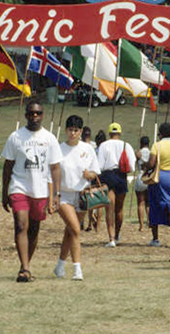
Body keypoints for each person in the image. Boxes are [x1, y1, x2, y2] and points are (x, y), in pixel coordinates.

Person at [1, 101, 62, 283]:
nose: (34, 117)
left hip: (40, 190)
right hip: (19, 187)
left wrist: (56, 195)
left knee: (34, 230)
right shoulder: (16, 137)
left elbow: (55, 167)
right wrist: (5, 192)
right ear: (26, 115)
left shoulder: (49, 138)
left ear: (42, 115)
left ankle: (25, 265)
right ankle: (25, 268)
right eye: (31, 113)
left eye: (38, 113)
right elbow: (7, 166)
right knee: (21, 225)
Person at [54, 115, 99, 280]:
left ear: (81, 131)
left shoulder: (87, 149)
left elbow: (95, 172)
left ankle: (59, 265)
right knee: (75, 228)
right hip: (64, 194)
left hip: (82, 194)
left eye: (76, 130)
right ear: (66, 130)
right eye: (70, 130)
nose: (73, 133)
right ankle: (77, 268)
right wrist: (53, 196)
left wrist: (90, 174)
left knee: (70, 231)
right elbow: (52, 173)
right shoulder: (58, 149)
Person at [97, 122, 135, 247]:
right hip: (121, 176)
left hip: (108, 176)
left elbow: (100, 165)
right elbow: (132, 166)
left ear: (109, 133)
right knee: (119, 209)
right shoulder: (126, 145)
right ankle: (117, 235)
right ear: (119, 133)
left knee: (109, 208)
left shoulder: (103, 145)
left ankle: (111, 238)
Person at [146, 123, 170, 247]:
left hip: (159, 177)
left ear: (160, 134)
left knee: (154, 205)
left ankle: (155, 238)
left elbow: (151, 163)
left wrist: (145, 166)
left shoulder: (157, 145)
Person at [134, 136, 150, 232]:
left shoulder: (138, 153)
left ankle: (141, 225)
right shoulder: (152, 152)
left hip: (140, 177)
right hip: (149, 177)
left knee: (140, 203)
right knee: (148, 203)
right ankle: (149, 222)